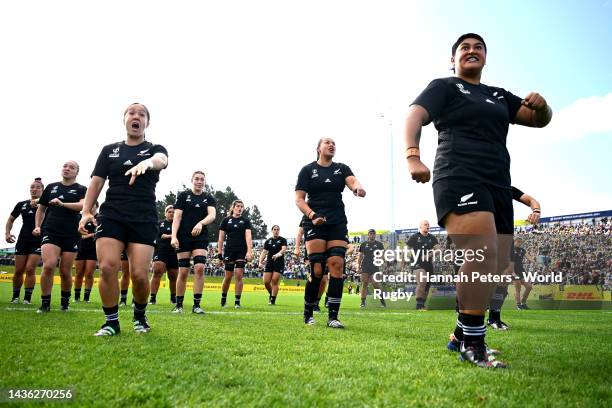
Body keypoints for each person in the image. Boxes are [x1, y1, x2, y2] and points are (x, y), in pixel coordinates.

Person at [405, 33, 551, 367]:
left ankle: (459, 334)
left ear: (486, 57)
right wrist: (413, 155)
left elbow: (537, 120)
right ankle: (474, 343)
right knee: (481, 252)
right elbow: (414, 114)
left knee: (497, 264)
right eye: (464, 48)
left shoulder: (498, 95)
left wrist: (543, 109)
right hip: (458, 174)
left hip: (498, 184)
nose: (472, 51)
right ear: (452, 59)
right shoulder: (445, 86)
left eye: (478, 47)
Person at [79, 103, 168, 336]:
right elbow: (96, 182)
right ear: (125, 119)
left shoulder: (154, 149)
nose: (136, 116)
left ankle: (140, 316)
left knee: (139, 274)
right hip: (112, 214)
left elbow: (162, 160)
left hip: (143, 217)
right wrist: (86, 211)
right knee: (108, 267)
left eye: (142, 114)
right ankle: (111, 322)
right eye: (132, 113)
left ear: (147, 122)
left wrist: (147, 163)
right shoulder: (109, 150)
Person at [295, 137, 366, 328]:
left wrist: (357, 188)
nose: (331, 144)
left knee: (337, 265)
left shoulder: (341, 168)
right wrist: (311, 215)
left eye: (334, 142)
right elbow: (299, 199)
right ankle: (308, 313)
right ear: (318, 148)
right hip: (314, 221)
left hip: (337, 221)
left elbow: (352, 181)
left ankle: (333, 317)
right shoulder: (307, 170)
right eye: (327, 142)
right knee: (317, 270)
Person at [34, 161, 86, 312]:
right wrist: (37, 226)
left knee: (65, 270)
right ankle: (45, 304)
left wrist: (62, 204)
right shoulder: (51, 187)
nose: (67, 169)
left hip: (71, 233)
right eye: (65, 166)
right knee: (49, 265)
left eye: (71, 167)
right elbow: (41, 209)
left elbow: (83, 206)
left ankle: (65, 303)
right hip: (50, 230)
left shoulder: (81, 189)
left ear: (77, 172)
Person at [488, 186, 541, 327]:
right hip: (487, 237)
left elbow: (531, 200)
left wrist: (536, 211)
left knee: (504, 277)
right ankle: (468, 318)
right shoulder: (482, 185)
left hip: (506, 238)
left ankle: (494, 317)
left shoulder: (507, 188)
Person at [171, 171, 217, 314]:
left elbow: (212, 215)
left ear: (204, 182)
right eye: (196, 179)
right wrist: (174, 236)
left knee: (199, 268)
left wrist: (200, 223)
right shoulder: (183, 196)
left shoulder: (208, 198)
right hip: (183, 236)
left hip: (200, 237)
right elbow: (177, 218)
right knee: (183, 271)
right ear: (192, 180)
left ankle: (196, 305)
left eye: (202, 179)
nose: (199, 181)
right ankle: (179, 305)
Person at [5, 178, 44, 304]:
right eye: (32, 187)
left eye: (38, 187)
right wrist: (7, 233)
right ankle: (15, 297)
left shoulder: (46, 205)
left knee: (30, 269)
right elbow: (10, 219)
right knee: (18, 270)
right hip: (23, 240)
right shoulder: (21, 204)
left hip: (37, 240)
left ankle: (27, 298)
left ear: (43, 190)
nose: (34, 189)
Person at [217, 200, 253, 308]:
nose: (240, 208)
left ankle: (237, 302)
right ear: (233, 207)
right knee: (228, 277)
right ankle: (223, 298)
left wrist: (249, 251)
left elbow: (248, 236)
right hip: (229, 250)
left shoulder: (246, 221)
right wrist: (219, 253)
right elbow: (221, 238)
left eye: (241, 206)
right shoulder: (226, 220)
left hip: (241, 251)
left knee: (239, 275)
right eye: (237, 206)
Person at [406, 221, 440, 311]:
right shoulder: (414, 237)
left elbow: (438, 250)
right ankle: (418, 305)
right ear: (420, 226)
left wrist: (429, 255)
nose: (427, 226)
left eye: (428, 224)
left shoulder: (432, 238)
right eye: (425, 224)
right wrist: (409, 258)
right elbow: (407, 249)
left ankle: (422, 304)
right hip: (417, 262)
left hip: (428, 263)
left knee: (427, 285)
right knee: (422, 281)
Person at [295, 220, 328, 312]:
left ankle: (316, 302)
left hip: (326, 250)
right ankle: (309, 303)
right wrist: (297, 248)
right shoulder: (307, 214)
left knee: (324, 280)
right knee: (314, 278)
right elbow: (300, 233)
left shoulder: (329, 212)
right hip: (311, 250)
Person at [149, 205, 178, 305]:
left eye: (174, 212)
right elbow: (161, 235)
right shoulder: (160, 223)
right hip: (161, 250)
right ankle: (152, 297)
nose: (172, 213)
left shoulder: (179, 224)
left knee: (173, 276)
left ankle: (173, 298)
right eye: (169, 212)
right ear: (165, 213)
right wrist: (173, 236)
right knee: (157, 271)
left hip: (174, 251)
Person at [74, 201, 99, 303]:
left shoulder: (100, 218)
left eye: (93, 205)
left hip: (93, 249)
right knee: (79, 273)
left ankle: (86, 298)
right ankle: (76, 297)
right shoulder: (81, 218)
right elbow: (78, 233)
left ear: (97, 206)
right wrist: (91, 234)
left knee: (89, 273)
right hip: (81, 248)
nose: (91, 207)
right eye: (90, 204)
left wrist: (90, 235)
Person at [258, 225, 287, 305]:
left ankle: (273, 300)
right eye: (275, 229)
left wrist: (277, 255)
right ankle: (271, 293)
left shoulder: (283, 240)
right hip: (269, 263)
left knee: (274, 281)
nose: (276, 231)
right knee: (266, 282)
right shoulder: (268, 241)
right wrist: (260, 262)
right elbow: (264, 252)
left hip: (279, 263)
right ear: (272, 231)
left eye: (278, 229)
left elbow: (283, 249)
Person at [358, 229, 386, 308]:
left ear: (375, 235)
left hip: (374, 266)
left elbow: (382, 255)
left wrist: (381, 261)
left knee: (375, 284)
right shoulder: (363, 244)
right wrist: (358, 266)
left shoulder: (379, 244)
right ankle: (362, 302)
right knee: (364, 284)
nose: (372, 235)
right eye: (370, 233)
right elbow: (360, 256)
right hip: (365, 266)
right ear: (368, 235)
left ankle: (382, 301)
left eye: (373, 234)